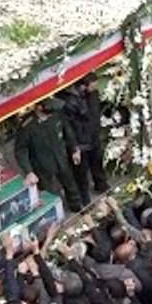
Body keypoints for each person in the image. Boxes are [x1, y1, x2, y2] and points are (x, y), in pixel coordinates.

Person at [14, 98, 83, 212]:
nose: (51, 114)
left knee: (71, 186)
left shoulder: (57, 114)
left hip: (61, 159)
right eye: (49, 111)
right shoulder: (27, 125)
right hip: (42, 165)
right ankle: (54, 216)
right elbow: (20, 150)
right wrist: (29, 171)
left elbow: (67, 131)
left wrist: (74, 149)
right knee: (48, 194)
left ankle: (77, 208)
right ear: (40, 108)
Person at [62, 75, 109, 206]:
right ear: (84, 86)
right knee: (81, 174)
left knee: (97, 163)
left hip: (93, 135)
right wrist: (74, 146)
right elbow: (69, 128)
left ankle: (101, 184)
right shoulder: (70, 103)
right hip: (81, 141)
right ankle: (85, 199)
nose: (95, 88)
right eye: (93, 86)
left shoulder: (92, 94)